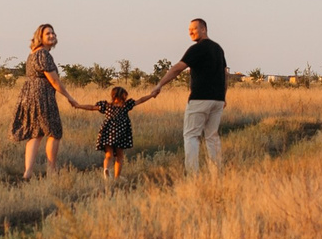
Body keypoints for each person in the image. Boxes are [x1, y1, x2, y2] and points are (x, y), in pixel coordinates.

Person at [11, 22, 90, 179]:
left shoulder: (33, 54)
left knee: (35, 133)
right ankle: (52, 169)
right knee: (54, 132)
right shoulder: (43, 55)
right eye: (48, 34)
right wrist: (70, 98)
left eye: (53, 33)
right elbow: (54, 81)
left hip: (28, 96)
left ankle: (28, 172)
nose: (52, 35)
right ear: (40, 37)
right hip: (42, 96)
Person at [152, 17, 229, 175]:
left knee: (191, 136)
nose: (191, 33)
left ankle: (193, 175)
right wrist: (223, 96)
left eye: (194, 29)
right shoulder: (218, 49)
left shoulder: (197, 48)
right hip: (217, 100)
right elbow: (224, 74)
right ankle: (217, 174)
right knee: (212, 136)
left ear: (204, 29)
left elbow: (177, 69)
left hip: (200, 98)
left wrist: (160, 84)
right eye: (189, 30)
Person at [90, 81, 163, 180]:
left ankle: (106, 169)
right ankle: (117, 177)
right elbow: (141, 100)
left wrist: (77, 105)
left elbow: (91, 107)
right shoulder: (125, 105)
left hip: (107, 133)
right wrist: (151, 95)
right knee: (119, 155)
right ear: (122, 96)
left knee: (109, 155)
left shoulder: (106, 106)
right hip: (121, 133)